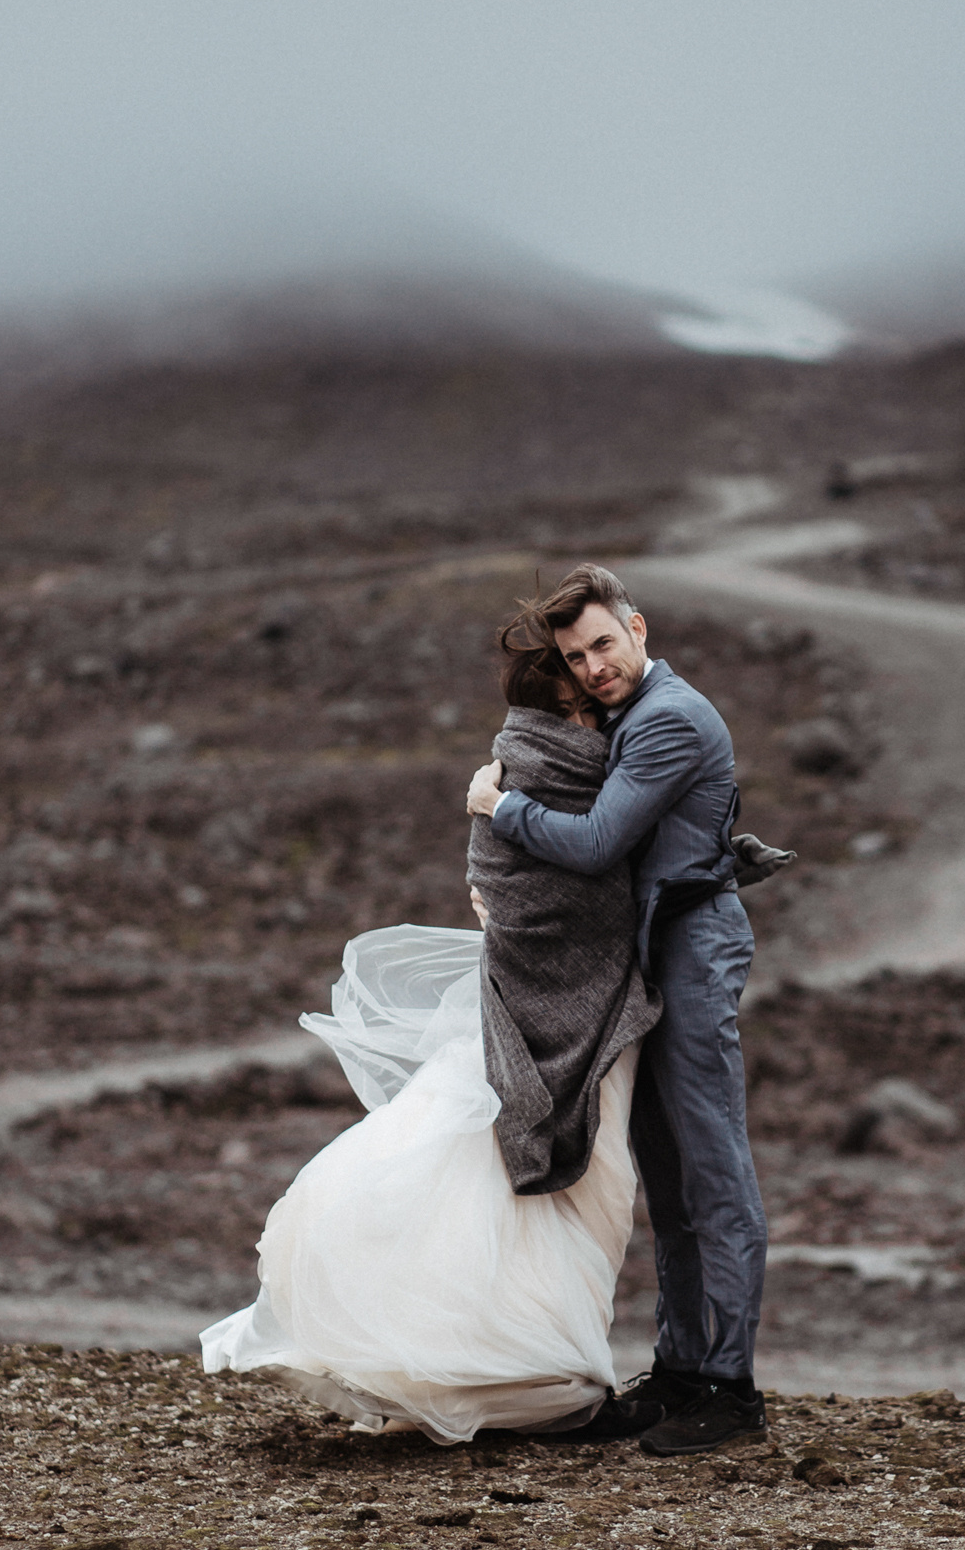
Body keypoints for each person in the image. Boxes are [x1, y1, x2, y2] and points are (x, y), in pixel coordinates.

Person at [199, 608, 659, 1443]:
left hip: (545, 996)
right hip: (565, 1003)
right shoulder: (565, 764)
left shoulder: (525, 765)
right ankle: (549, 1375)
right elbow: (589, 864)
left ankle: (527, 1369)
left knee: (512, 1179)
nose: (595, 683)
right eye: (575, 676)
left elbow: (548, 872)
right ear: (558, 708)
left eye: (597, 659)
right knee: (582, 1186)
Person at [467, 562, 771, 1457]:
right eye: (577, 655)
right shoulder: (628, 716)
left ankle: (729, 1389)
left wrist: (501, 806)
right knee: (668, 1175)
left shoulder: (669, 717)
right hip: (652, 954)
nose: (594, 664)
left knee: (711, 1172)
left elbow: (599, 843)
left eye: (603, 642)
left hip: (690, 950)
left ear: (637, 627)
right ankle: (682, 1371)